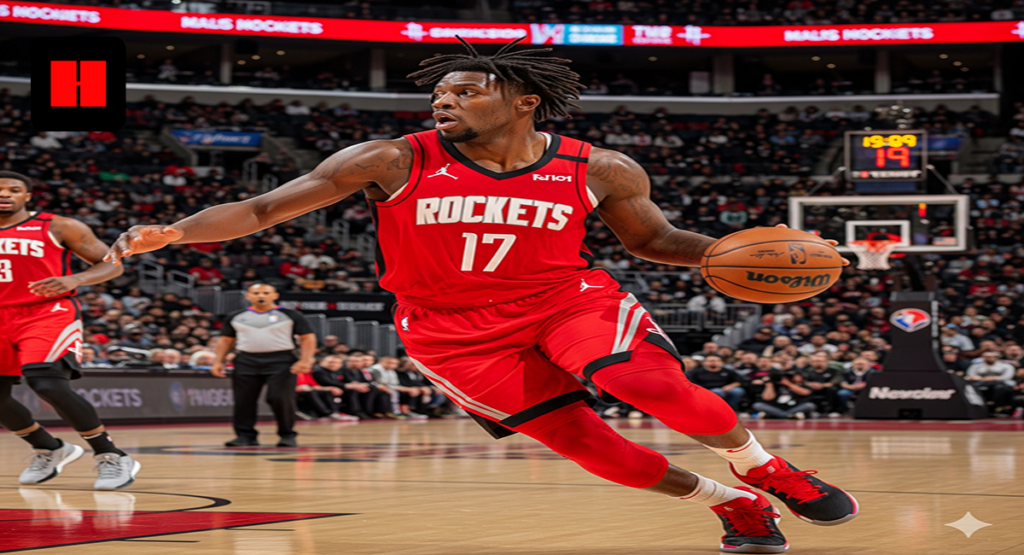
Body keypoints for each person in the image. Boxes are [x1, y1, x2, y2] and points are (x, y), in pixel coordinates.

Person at [106, 38, 856, 553]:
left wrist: (729, 256)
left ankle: (765, 467)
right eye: (439, 92)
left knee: (644, 384)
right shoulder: (392, 158)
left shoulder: (601, 168)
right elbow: (265, 208)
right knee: (595, 449)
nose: (445, 100)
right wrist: (174, 230)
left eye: (466, 89)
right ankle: (730, 503)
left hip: (566, 300)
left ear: (525, 100)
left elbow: (654, 242)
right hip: (450, 332)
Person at [0, 171, 141, 490]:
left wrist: (75, 279)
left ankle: (112, 455)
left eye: (14, 189)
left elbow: (113, 262)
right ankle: (49, 448)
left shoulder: (58, 226)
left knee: (46, 382)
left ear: (27, 196)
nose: (5, 194)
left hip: (46, 312)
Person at [211, 283, 317, 447]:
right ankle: (245, 436)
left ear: (274, 296)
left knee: (279, 398)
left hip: (281, 360)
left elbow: (307, 337)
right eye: (256, 292)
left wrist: (306, 360)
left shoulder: (290, 315)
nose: (261, 295)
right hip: (246, 360)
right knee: (243, 400)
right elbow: (226, 340)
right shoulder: (236, 316)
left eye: (266, 292)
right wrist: (218, 361)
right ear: (248, 296)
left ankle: (287, 434)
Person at [751, 372, 817, 420]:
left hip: (793, 407)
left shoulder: (797, 384)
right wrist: (769, 385)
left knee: (810, 405)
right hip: (776, 407)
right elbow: (767, 398)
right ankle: (787, 415)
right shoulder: (773, 385)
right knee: (757, 405)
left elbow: (806, 393)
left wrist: (788, 384)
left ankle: (778, 415)